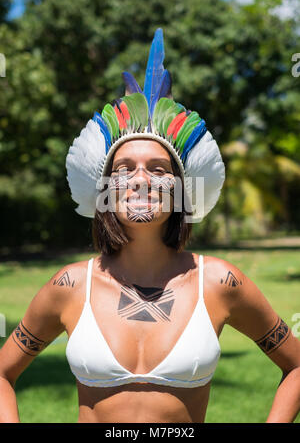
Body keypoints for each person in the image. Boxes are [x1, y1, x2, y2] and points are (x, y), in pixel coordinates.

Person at [0, 30, 299, 424]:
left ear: (181, 188)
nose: (140, 179)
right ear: (105, 188)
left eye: (158, 170)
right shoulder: (70, 286)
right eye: (124, 170)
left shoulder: (220, 282)